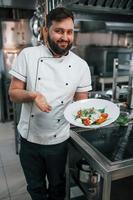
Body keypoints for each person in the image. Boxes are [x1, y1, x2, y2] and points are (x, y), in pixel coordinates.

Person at [8, 7, 92, 200]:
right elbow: (13, 93)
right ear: (46, 30)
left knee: (58, 188)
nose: (65, 37)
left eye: (69, 32)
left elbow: (82, 106)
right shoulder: (28, 55)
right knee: (36, 189)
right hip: (30, 140)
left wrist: (88, 115)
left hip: (59, 140)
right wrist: (33, 95)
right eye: (59, 31)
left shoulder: (81, 66)